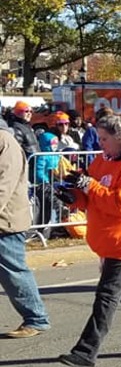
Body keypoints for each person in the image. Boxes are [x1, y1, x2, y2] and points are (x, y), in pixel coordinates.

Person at [53, 116, 121, 367]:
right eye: (100, 138)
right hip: (108, 239)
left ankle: (85, 351)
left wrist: (89, 186)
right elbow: (90, 199)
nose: (100, 144)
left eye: (104, 139)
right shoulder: (101, 162)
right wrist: (72, 197)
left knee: (106, 296)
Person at [0, 121, 51, 339]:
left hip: (6, 221)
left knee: (14, 272)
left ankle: (36, 318)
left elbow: (4, 185)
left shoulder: (5, 143)